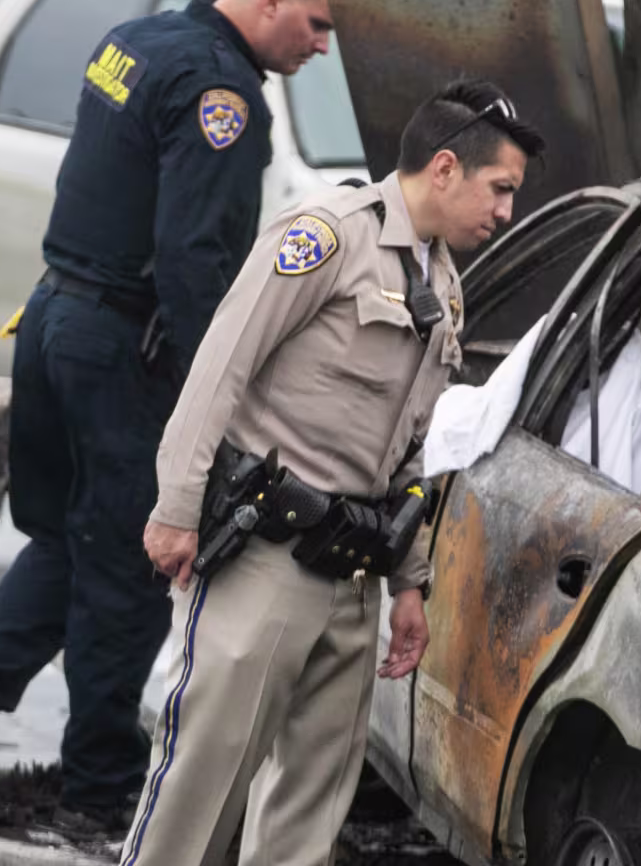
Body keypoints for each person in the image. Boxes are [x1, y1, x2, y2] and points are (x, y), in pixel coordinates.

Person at [0, 0, 335, 836]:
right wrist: (215, 390)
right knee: (135, 565)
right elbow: (193, 258)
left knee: (75, 539)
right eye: (315, 22)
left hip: (54, 319)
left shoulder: (134, 40)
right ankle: (98, 791)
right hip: (123, 350)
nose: (322, 44)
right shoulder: (222, 94)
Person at [120, 80, 544, 866]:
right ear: (445, 168)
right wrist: (175, 506)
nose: (506, 211)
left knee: (305, 820)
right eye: (500, 188)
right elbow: (221, 365)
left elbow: (414, 447)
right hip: (261, 561)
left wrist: (409, 584)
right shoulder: (329, 237)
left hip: (352, 577)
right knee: (197, 794)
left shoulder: (442, 284)